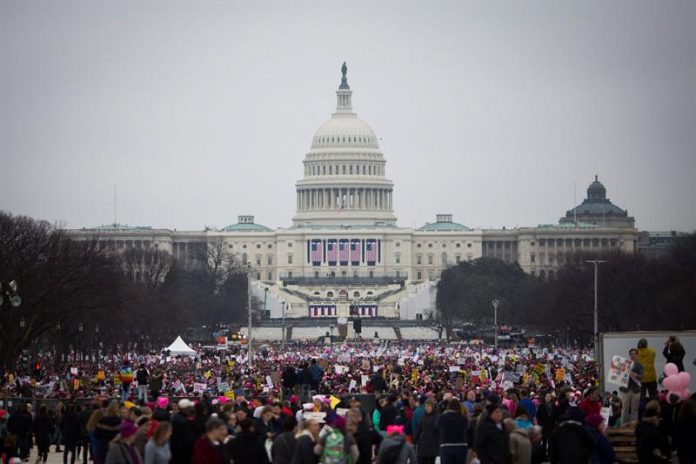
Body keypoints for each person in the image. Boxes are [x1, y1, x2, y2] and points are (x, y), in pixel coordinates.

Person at [435, 398, 467, 464]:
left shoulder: (443, 417)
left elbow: (437, 425)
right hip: (461, 446)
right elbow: (467, 427)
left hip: (446, 446)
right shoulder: (463, 417)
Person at [170, 399, 197, 464]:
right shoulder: (182, 421)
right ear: (186, 408)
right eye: (189, 407)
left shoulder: (178, 417)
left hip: (177, 450)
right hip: (182, 452)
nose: (191, 409)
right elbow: (187, 438)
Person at [621, 348, 644, 426]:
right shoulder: (625, 364)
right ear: (629, 355)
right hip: (626, 389)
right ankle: (623, 425)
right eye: (631, 354)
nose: (633, 355)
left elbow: (641, 377)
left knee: (634, 409)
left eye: (634, 354)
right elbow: (619, 376)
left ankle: (634, 425)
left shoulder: (640, 365)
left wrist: (634, 374)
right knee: (625, 409)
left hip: (636, 390)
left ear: (637, 355)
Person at [416, 398, 439, 464]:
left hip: (432, 444)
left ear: (432, 406)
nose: (427, 408)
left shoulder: (437, 415)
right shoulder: (423, 415)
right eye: (425, 406)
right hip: (423, 444)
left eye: (429, 406)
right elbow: (420, 428)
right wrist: (416, 440)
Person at [673, 399, 696, 464]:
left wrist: (673, 447)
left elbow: (675, 435)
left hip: (682, 449)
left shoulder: (679, 422)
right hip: (693, 449)